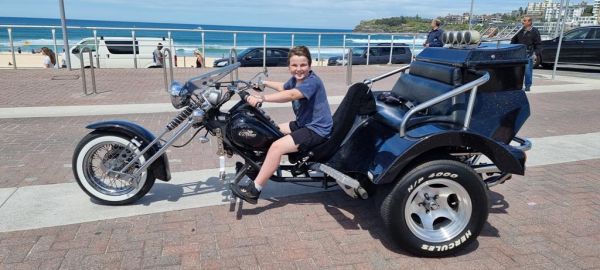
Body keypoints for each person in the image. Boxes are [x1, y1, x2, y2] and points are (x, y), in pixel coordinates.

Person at [230, 46, 333, 204]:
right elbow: (284, 87)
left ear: (310, 65)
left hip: (317, 129)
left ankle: (254, 190)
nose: (299, 69)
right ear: (289, 66)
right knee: (268, 132)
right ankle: (254, 169)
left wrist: (262, 98)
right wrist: (262, 83)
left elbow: (291, 94)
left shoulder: (312, 81)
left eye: (303, 65)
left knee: (276, 147)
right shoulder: (297, 79)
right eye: (294, 65)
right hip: (302, 124)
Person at [511, 16, 541, 92]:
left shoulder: (535, 31)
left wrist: (535, 54)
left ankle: (527, 86)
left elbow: (538, 44)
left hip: (528, 54)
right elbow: (513, 41)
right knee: (517, 70)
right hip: (518, 54)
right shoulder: (519, 30)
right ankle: (517, 86)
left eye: (524, 21)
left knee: (527, 71)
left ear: (529, 22)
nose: (523, 22)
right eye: (523, 20)